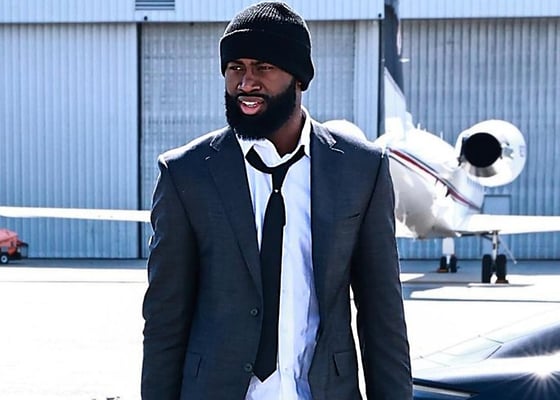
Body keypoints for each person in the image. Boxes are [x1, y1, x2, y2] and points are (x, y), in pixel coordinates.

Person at [141, 2, 412, 399]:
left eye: (263, 67)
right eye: (235, 67)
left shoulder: (361, 169)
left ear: (299, 77)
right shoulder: (186, 173)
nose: (246, 82)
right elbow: (165, 319)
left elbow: (381, 314)